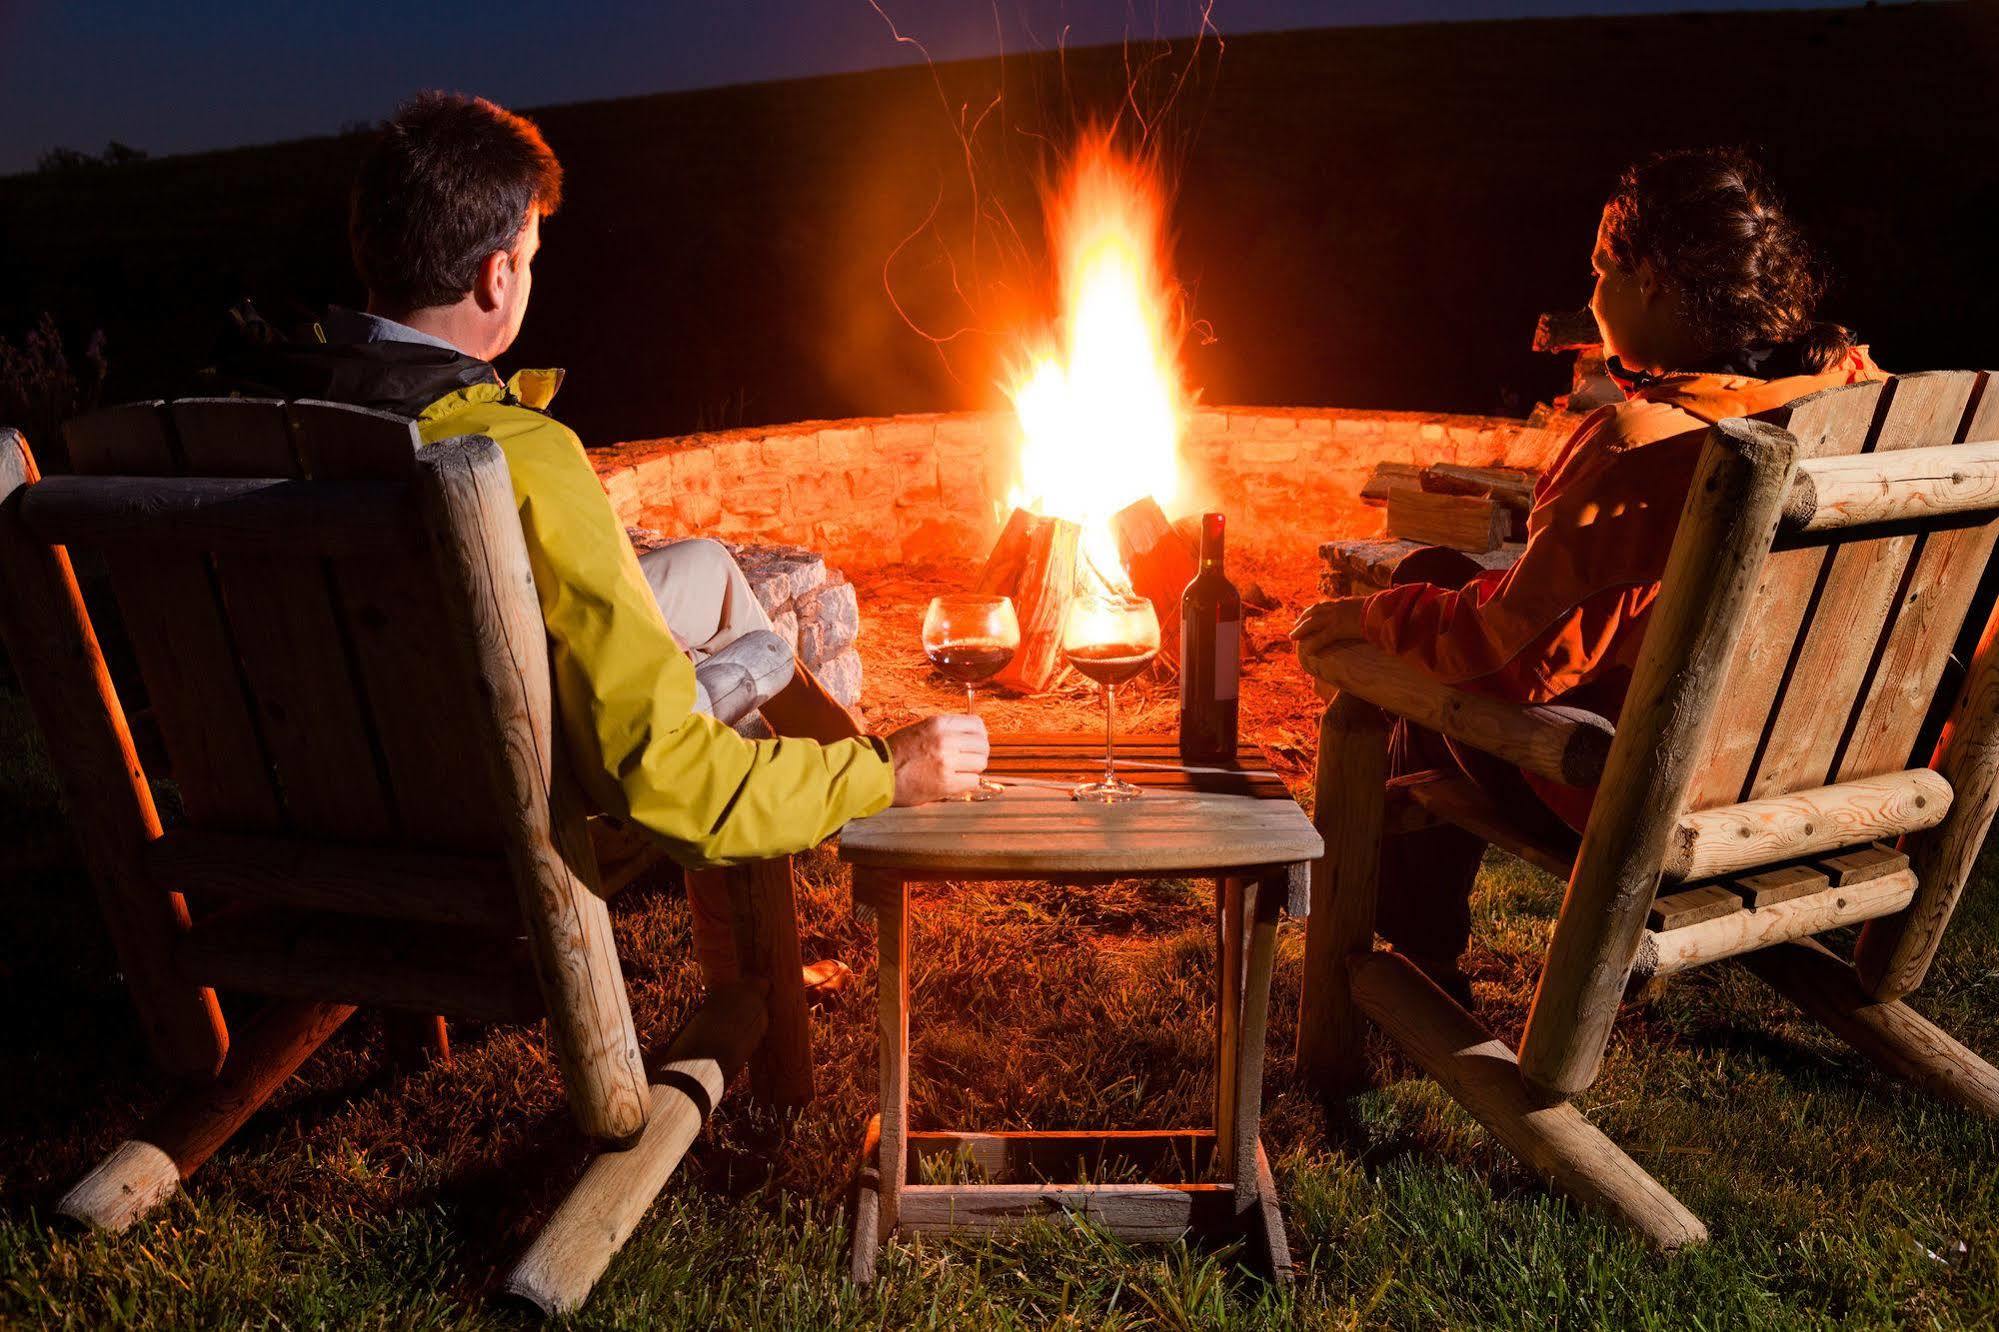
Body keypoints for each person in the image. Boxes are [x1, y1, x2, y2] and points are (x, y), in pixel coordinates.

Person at [208, 91, 988, 985]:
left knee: (706, 571)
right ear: (496, 276)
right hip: (498, 816)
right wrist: (879, 773)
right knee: (759, 652)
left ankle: (858, 785)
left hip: (337, 782)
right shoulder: (522, 456)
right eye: (531, 258)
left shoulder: (262, 421)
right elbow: (664, 781)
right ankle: (873, 796)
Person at [1291, 148, 1882, 1002]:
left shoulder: (1646, 445)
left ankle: (1415, 963)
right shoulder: (1864, 399)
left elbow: (1510, 662)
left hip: (1659, 808)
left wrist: (1368, 621)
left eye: (1601, 268)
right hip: (1832, 785)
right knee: (1437, 575)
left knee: (1417, 656)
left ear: (1649, 281)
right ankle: (1419, 944)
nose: (1591, 291)